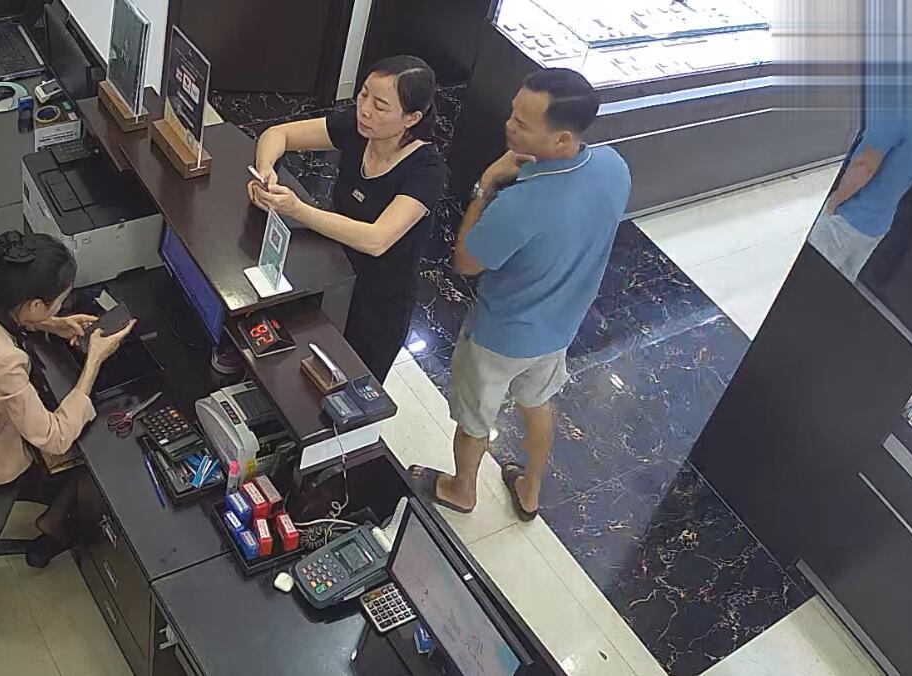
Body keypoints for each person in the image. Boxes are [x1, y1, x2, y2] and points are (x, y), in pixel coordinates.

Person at [409, 68, 630, 520]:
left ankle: (460, 489)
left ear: (563, 139)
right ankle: (530, 490)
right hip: (561, 326)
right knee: (537, 400)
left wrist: (485, 184)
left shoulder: (520, 204)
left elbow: (466, 262)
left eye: (523, 124)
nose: (509, 125)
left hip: (501, 334)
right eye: (513, 112)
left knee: (473, 416)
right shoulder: (613, 166)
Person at [0, 231, 135, 567]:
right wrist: (94, 360)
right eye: (59, 301)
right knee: (87, 455)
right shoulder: (2, 363)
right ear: (34, 303)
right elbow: (53, 438)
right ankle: (55, 521)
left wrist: (53, 324)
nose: (62, 306)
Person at [248, 55, 448, 383]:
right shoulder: (358, 128)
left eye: (380, 106)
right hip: (332, 271)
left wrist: (297, 209)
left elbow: (376, 239)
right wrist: (266, 171)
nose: (365, 109)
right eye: (363, 94)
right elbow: (278, 134)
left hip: (378, 301)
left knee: (348, 385)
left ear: (411, 118)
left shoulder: (426, 170)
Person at [810, 96, 912, 282]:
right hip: (878, 225)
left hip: (847, 218)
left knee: (806, 280)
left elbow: (864, 166)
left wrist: (833, 202)